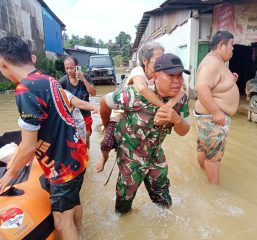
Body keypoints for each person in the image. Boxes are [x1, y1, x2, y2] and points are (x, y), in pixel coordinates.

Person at [0, 36, 88, 240]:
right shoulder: (47, 79)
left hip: (62, 166)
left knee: (61, 222)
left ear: (3, 64)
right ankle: (80, 233)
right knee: (73, 203)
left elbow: (29, 147)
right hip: (76, 157)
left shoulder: (25, 89)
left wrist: (8, 176)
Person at [102, 53, 190, 214]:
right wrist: (108, 126)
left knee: (164, 202)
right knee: (123, 205)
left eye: (180, 75)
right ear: (156, 76)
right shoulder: (135, 95)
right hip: (131, 156)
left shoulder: (180, 100)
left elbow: (184, 131)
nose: (177, 80)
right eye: (171, 76)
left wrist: (176, 120)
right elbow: (104, 102)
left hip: (155, 153)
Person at [94, 42, 184, 173]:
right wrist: (164, 107)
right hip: (121, 111)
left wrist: (168, 108)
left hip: (140, 117)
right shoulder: (138, 71)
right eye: (158, 59)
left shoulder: (161, 73)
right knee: (106, 143)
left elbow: (181, 91)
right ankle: (103, 158)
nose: (162, 63)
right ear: (145, 61)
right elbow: (142, 88)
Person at [194, 30, 239, 185]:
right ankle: (214, 192)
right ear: (222, 44)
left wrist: (231, 81)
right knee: (213, 158)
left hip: (209, 119)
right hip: (213, 119)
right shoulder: (212, 62)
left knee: (204, 150)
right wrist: (216, 112)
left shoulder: (216, 62)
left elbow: (216, 86)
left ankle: (203, 176)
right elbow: (201, 88)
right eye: (232, 45)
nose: (233, 49)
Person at [59, 56, 96, 148]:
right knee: (74, 139)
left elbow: (93, 93)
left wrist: (84, 80)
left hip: (86, 114)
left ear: (77, 67)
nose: (69, 71)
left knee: (86, 137)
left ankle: (87, 156)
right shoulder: (62, 82)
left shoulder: (86, 77)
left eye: (71, 68)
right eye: (66, 68)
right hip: (72, 117)